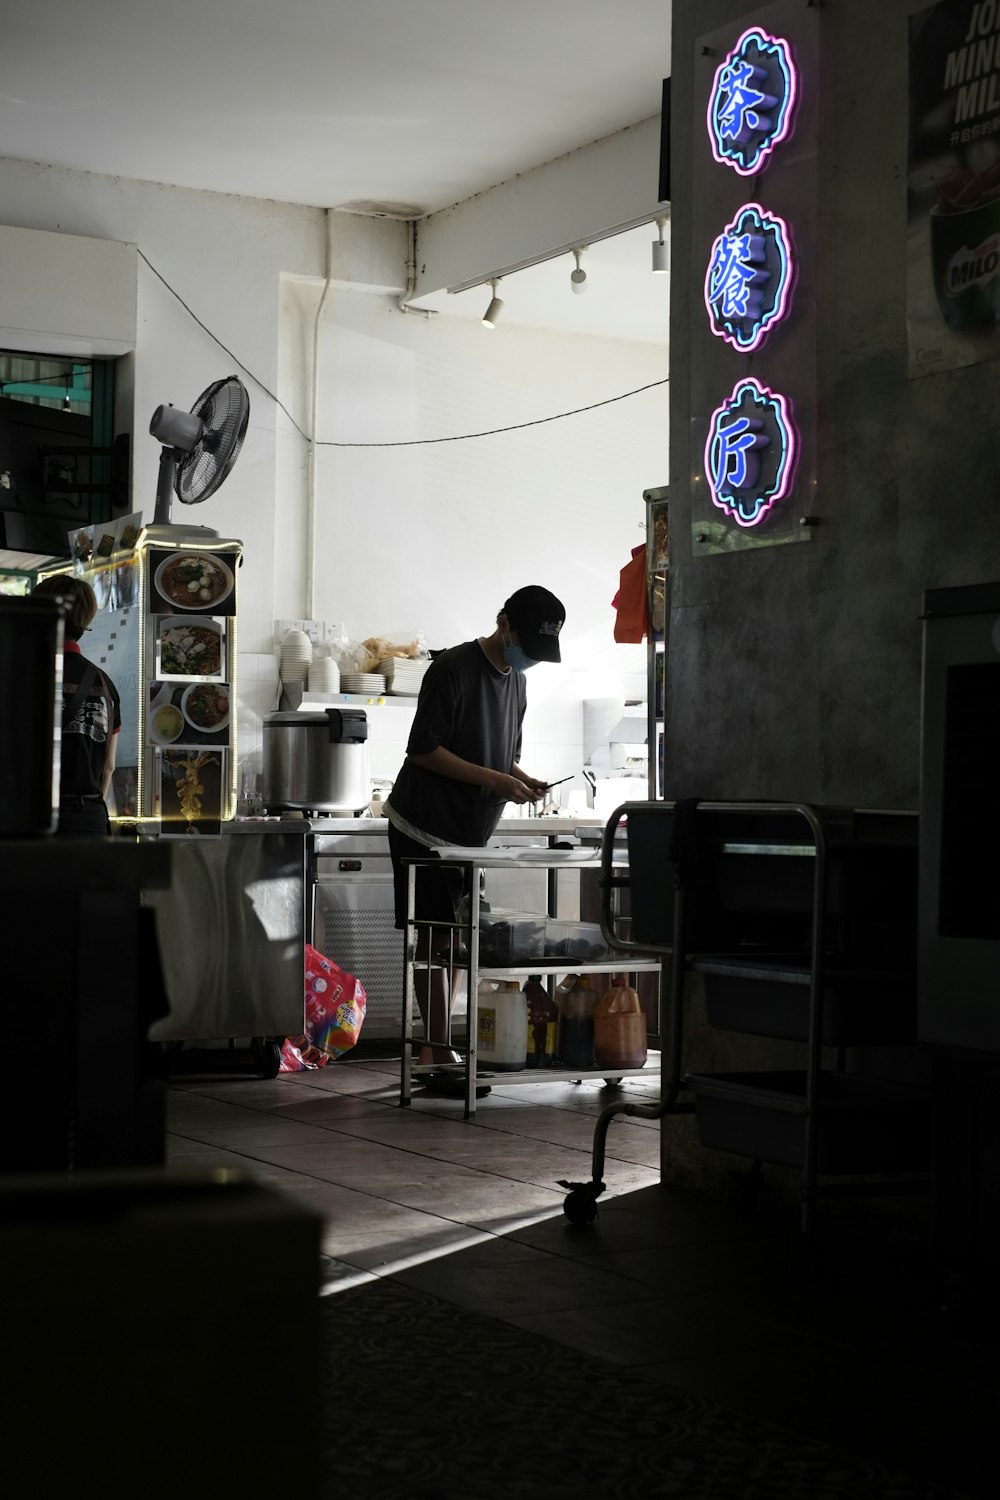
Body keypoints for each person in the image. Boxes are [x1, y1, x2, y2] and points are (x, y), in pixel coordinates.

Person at [386, 584, 565, 1079]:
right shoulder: (452, 669)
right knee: (434, 937)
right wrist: (496, 780)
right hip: (423, 825)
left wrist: (521, 777)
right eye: (526, 646)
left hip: (469, 836)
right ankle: (431, 1047)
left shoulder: (518, 683)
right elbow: (423, 749)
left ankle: (442, 1041)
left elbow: (499, 752)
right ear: (503, 623)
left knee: (461, 937)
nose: (527, 659)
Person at [31, 575, 121, 837]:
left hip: (32, 820)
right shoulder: (104, 685)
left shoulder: (23, 674)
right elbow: (109, 765)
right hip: (89, 820)